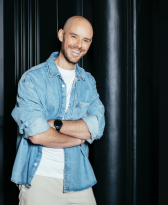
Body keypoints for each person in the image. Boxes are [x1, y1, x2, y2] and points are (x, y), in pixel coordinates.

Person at [11, 16, 105, 205]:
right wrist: (79, 138)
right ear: (61, 35)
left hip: (79, 179)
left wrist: (55, 124)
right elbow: (37, 135)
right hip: (38, 180)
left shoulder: (88, 82)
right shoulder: (32, 79)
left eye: (86, 40)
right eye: (74, 36)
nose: (79, 45)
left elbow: (97, 127)